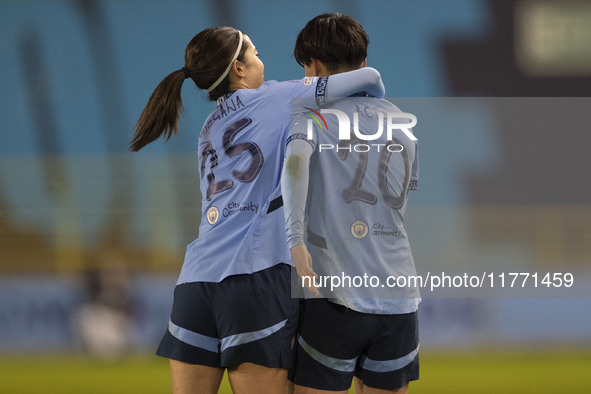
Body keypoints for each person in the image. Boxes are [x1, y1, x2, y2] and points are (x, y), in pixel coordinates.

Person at [130, 25, 385, 394]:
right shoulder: (283, 97)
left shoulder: (209, 126)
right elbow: (371, 79)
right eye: (256, 52)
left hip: (195, 282)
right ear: (238, 68)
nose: (261, 59)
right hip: (254, 278)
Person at [281, 14, 420, 393]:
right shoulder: (402, 122)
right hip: (398, 296)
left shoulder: (312, 117)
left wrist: (295, 240)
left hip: (334, 292)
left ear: (316, 67)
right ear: (361, 65)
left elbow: (294, 165)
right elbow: (405, 193)